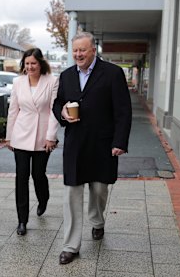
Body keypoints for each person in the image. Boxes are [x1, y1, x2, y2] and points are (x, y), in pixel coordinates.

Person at [52, 32, 132, 264]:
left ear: (93, 51)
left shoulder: (113, 73)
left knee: (98, 189)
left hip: (102, 144)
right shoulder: (66, 76)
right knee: (71, 194)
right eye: (75, 50)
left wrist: (119, 142)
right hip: (75, 143)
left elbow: (123, 111)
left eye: (83, 50)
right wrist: (63, 113)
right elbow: (58, 103)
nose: (78, 54)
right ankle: (70, 245)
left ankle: (97, 221)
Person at [5, 48, 59, 236]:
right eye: (27, 63)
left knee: (38, 174)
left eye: (33, 63)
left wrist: (51, 136)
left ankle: (43, 199)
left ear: (41, 63)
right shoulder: (18, 82)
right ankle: (22, 220)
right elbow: (13, 110)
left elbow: (54, 110)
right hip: (21, 134)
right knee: (21, 177)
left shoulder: (52, 81)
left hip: (43, 135)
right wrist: (9, 136)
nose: (30, 67)